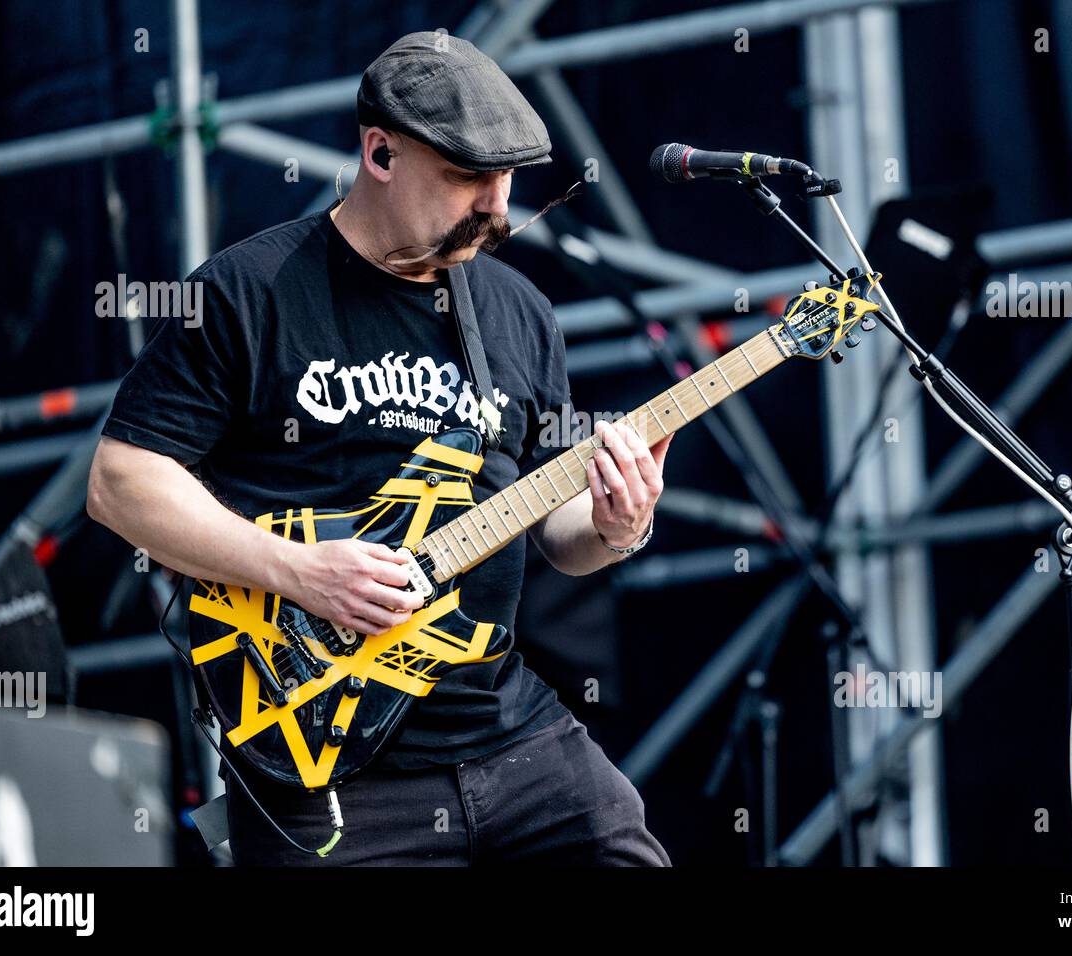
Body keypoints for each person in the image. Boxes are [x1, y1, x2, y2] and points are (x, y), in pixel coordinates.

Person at [86, 31, 673, 866]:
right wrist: (297, 571)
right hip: (326, 765)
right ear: (380, 153)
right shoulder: (249, 291)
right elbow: (120, 482)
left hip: (509, 734)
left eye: (506, 180)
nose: (497, 208)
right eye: (469, 177)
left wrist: (617, 527)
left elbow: (559, 536)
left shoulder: (518, 312)